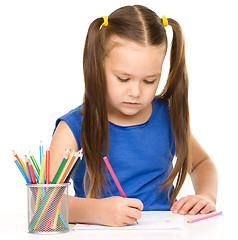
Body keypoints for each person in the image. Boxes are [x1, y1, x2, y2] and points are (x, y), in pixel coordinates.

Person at [50, 5, 218, 227]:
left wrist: (206, 196)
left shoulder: (167, 117)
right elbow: (43, 204)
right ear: (98, 67)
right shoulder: (74, 126)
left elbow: (201, 163)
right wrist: (96, 212)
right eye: (123, 78)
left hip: (163, 231)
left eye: (149, 80)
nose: (136, 92)